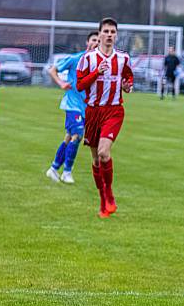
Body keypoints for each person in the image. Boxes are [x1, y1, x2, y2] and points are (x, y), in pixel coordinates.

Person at [75, 17, 133, 219]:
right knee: (96, 160)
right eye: (106, 31)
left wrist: (128, 86)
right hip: (92, 112)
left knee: (103, 152)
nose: (109, 35)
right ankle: (102, 201)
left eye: (112, 32)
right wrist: (96, 74)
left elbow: (128, 77)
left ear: (116, 35)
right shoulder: (87, 59)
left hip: (114, 111)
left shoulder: (123, 58)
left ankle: (109, 194)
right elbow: (80, 85)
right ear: (99, 34)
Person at [45, 31, 100, 184]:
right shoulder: (76, 59)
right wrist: (61, 83)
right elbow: (52, 70)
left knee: (69, 137)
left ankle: (54, 169)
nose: (96, 43)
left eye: (98, 41)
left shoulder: (99, 65)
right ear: (87, 42)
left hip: (87, 107)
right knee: (78, 134)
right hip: (72, 104)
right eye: (94, 40)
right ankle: (67, 172)